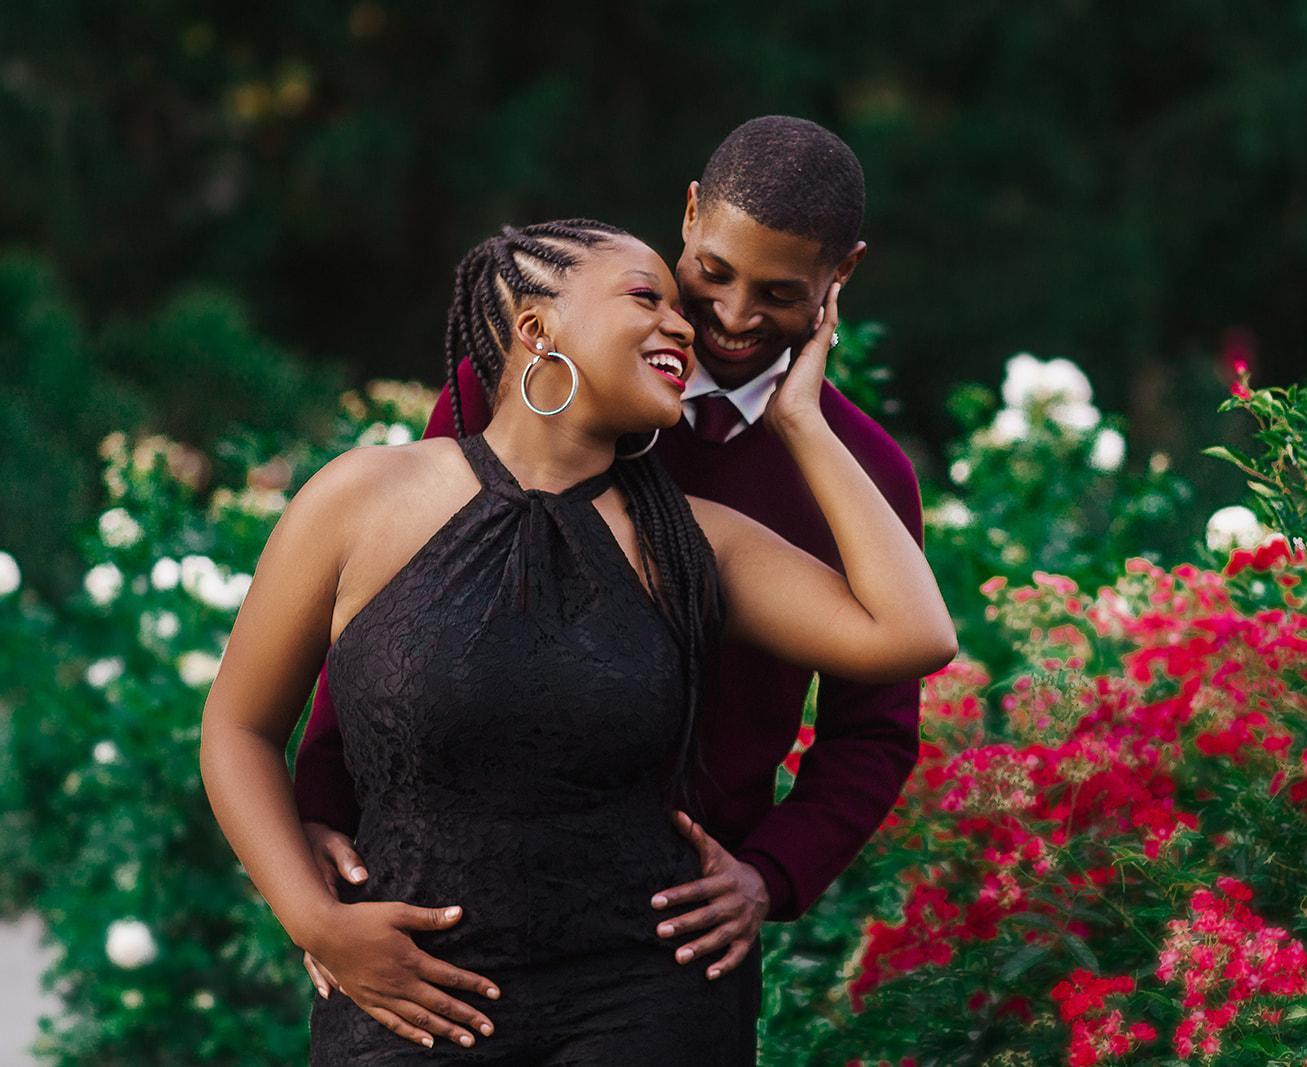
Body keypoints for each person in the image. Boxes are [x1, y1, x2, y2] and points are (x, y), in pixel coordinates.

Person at [199, 214, 955, 1062]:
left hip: (649, 1002)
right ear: (536, 327)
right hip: (406, 996)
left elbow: (914, 635)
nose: (685, 325)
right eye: (647, 298)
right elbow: (238, 727)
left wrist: (804, 418)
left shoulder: (697, 544)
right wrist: (314, 917)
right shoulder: (358, 500)